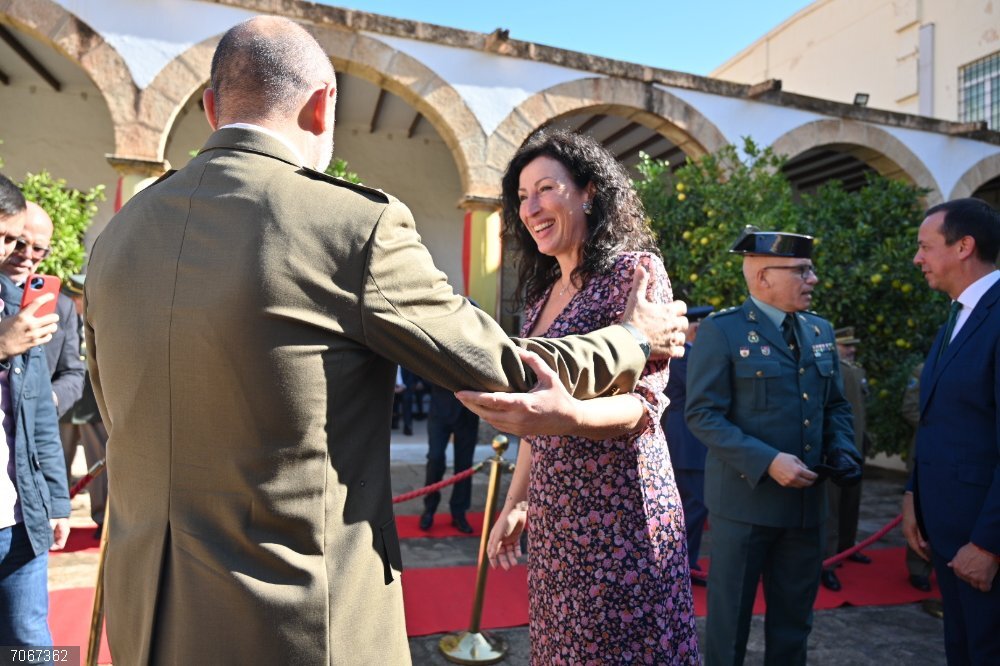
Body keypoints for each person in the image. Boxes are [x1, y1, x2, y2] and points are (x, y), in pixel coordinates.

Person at [83, 17, 688, 665]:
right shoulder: (348, 223)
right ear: (322, 106)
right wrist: (631, 339)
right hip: (294, 617)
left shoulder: (119, 235)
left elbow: (111, 414)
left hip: (147, 614)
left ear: (210, 107)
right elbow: (502, 368)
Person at [457, 129, 700, 664]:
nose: (531, 208)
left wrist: (567, 415)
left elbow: (644, 406)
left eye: (546, 189)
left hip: (620, 508)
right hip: (556, 513)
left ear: (589, 192)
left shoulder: (634, 273)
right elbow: (537, 415)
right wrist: (518, 502)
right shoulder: (540, 294)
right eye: (523, 196)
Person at [685, 226, 861, 666]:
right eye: (801, 270)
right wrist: (768, 461)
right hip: (745, 505)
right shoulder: (723, 331)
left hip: (805, 507)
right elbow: (703, 415)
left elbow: (836, 406)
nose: (812, 279)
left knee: (794, 625)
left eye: (810, 269)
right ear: (763, 277)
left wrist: (842, 448)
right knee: (730, 624)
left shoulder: (820, 330)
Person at [903, 197, 1000, 664]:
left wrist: (988, 544)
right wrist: (913, 494)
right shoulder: (958, 314)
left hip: (980, 541)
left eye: (925, 246)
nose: (917, 258)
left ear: (964, 246)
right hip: (946, 532)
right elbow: (941, 420)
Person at [0, 173, 70, 651]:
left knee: (32, 648)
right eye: (8, 239)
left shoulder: (24, 307)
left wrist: (57, 500)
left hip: (20, 513)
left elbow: (39, 414)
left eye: (21, 241)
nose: (12, 252)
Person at [0, 202, 85, 418]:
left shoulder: (61, 306)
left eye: (38, 249)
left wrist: (48, 401)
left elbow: (73, 372)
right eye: (19, 243)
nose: (27, 254)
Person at [662, 304, 713, 582]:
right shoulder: (682, 356)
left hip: (690, 439)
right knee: (695, 504)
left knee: (692, 504)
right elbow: (701, 390)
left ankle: (682, 563)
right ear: (694, 328)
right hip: (686, 440)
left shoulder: (691, 355)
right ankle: (683, 564)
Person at [821, 326, 871, 591]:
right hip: (835, 451)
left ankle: (847, 546)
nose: (851, 350)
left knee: (852, 502)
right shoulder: (830, 369)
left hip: (855, 447)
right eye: (846, 345)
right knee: (831, 507)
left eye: (853, 346)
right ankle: (827, 561)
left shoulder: (856, 370)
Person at [59, 274, 108, 535]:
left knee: (98, 467)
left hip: (91, 405)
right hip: (65, 404)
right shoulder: (59, 318)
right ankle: (54, 514)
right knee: (57, 463)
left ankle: (101, 518)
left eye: (75, 298)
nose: (73, 301)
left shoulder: (101, 318)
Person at [418, 382, 479, 533]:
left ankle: (459, 513)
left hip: (468, 413)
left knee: (464, 465)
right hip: (439, 409)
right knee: (435, 458)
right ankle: (429, 508)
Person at [900, 361, 934, 592]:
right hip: (926, 448)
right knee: (920, 512)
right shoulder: (923, 370)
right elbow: (910, 409)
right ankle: (918, 568)